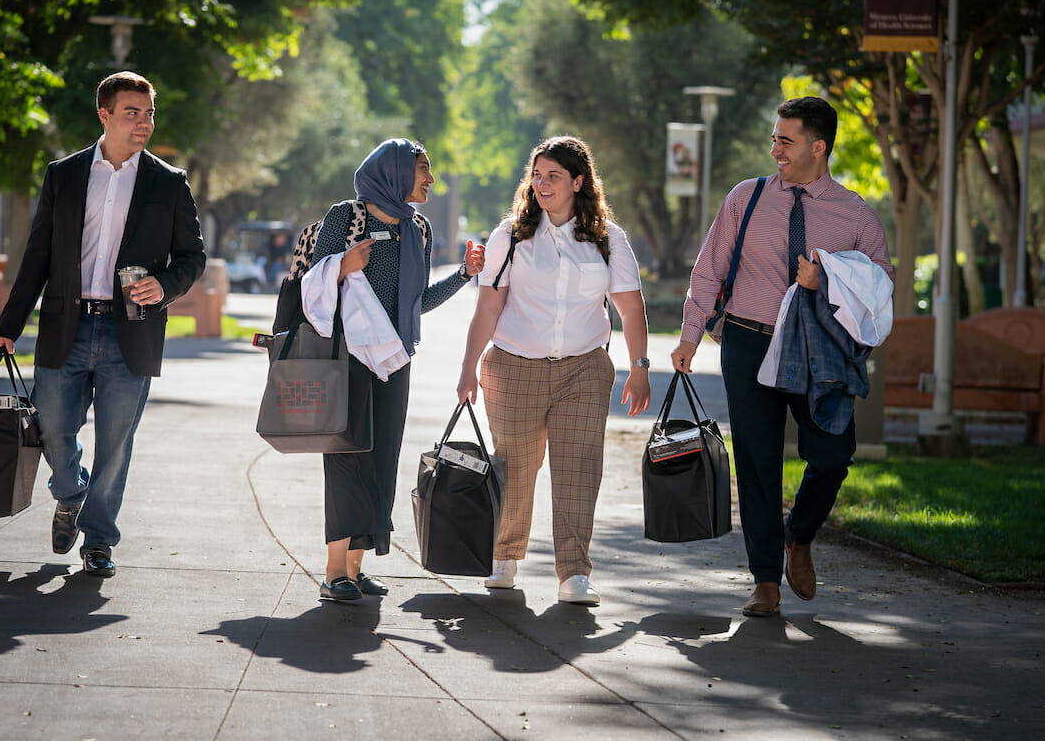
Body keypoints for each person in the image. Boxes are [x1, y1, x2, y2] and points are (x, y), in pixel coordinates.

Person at [670, 97, 893, 617]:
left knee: (834, 454)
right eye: (773, 139)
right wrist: (688, 334)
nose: (775, 150)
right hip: (748, 341)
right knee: (756, 459)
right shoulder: (746, 198)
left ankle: (800, 535)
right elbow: (709, 269)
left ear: (819, 147)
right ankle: (765, 579)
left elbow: (880, 288)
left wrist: (828, 279)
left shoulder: (857, 215)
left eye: (785, 141)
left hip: (818, 349)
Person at [0, 71, 206, 577]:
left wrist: (165, 285)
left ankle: (99, 541)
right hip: (66, 325)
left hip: (129, 331)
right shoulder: (63, 175)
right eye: (133, 112)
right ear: (104, 115)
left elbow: (192, 257)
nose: (144, 123)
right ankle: (69, 493)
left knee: (116, 444)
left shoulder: (168, 183)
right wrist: (10, 322)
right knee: (51, 429)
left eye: (149, 113)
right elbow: (38, 254)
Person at [457, 136, 651, 607]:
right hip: (514, 366)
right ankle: (504, 557)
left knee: (578, 469)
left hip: (584, 368)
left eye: (553, 176)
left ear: (578, 182)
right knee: (516, 465)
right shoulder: (511, 235)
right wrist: (467, 369)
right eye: (537, 175)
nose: (542, 185)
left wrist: (639, 366)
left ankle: (574, 572)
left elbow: (630, 307)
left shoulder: (608, 238)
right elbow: (488, 307)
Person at [307, 138, 485, 602]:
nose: (430, 179)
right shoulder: (345, 218)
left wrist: (463, 275)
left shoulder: (418, 230)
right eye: (423, 169)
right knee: (346, 458)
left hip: (394, 361)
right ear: (395, 173)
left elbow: (416, 304)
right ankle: (333, 573)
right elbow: (313, 280)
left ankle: (355, 567)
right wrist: (343, 265)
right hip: (346, 358)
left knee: (382, 459)